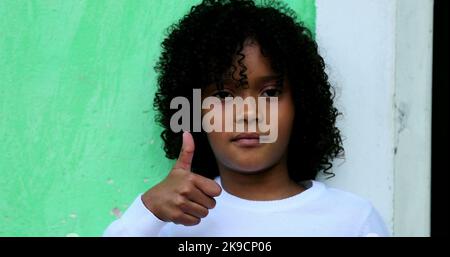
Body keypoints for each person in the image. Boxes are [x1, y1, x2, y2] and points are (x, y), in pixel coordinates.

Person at [103, 0, 389, 237]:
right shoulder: (172, 221)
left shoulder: (352, 222)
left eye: (271, 92)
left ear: (301, 104)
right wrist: (147, 210)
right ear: (195, 110)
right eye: (224, 96)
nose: (249, 114)